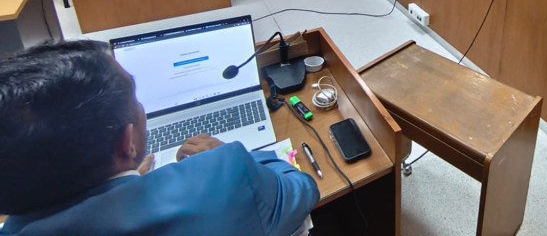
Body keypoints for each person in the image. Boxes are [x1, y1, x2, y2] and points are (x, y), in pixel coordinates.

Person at [0, 41, 319, 235]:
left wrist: (119, 185)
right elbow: (302, 188)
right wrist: (234, 156)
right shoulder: (226, 175)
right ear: (127, 144)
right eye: (136, 99)